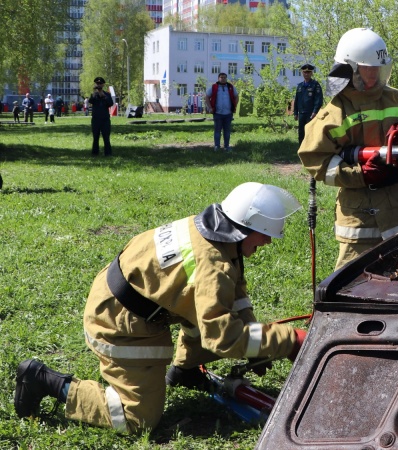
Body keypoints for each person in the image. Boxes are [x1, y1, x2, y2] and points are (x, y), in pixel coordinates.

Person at [14, 182, 307, 434]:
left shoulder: (216, 232)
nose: (269, 241)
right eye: (266, 234)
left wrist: (259, 342)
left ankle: (185, 370)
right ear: (245, 229)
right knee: (137, 419)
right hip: (118, 322)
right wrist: (288, 341)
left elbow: (231, 298)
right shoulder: (212, 265)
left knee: (214, 315)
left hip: (133, 298)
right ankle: (43, 380)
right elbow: (224, 337)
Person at [298, 28, 398, 270]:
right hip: (360, 215)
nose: (377, 73)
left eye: (380, 68)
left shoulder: (395, 98)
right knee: (352, 282)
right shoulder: (334, 112)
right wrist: (360, 173)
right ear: (352, 70)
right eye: (370, 68)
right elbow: (316, 160)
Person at [205, 72, 238, 152]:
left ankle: (226, 146)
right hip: (217, 113)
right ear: (218, 78)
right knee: (217, 130)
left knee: (227, 131)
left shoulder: (230, 87)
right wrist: (210, 108)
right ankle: (217, 146)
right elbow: (207, 97)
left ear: (226, 79)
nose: (223, 79)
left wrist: (234, 106)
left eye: (224, 77)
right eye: (221, 77)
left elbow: (236, 96)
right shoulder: (214, 87)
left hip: (228, 113)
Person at [293, 63, 323, 144]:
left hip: (311, 114)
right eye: (305, 72)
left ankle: (310, 152)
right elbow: (296, 100)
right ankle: (301, 151)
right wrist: (295, 113)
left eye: (308, 72)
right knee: (301, 133)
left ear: (311, 73)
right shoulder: (299, 86)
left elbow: (319, 100)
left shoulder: (315, 85)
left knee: (310, 133)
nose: (306, 74)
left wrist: (315, 112)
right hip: (301, 114)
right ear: (302, 73)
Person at [89, 77, 114, 156]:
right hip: (96, 119)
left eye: (100, 84)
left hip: (105, 119)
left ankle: (108, 153)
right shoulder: (94, 95)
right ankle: (95, 153)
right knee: (95, 137)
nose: (98, 85)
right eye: (97, 83)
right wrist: (96, 92)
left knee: (106, 137)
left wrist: (102, 94)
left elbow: (110, 103)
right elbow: (91, 101)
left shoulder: (107, 94)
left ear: (103, 85)